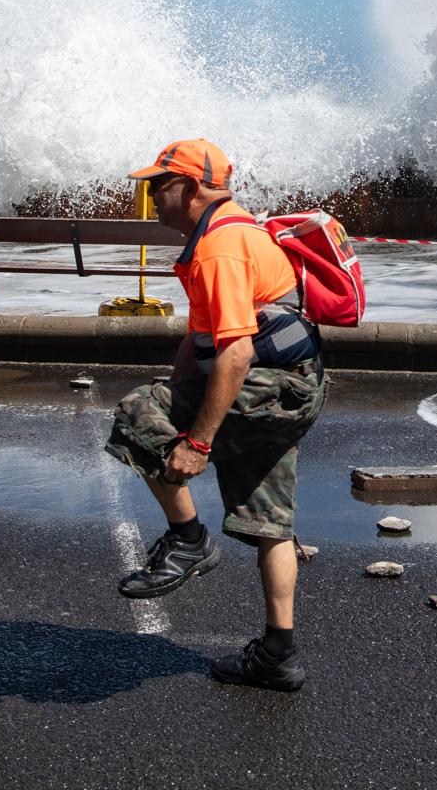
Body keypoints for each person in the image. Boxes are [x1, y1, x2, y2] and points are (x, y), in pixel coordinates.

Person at [102, 138, 326, 691]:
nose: (152, 196)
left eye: (162, 185)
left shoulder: (221, 247)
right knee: (270, 522)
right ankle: (279, 655)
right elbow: (200, 338)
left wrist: (196, 442)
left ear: (194, 188)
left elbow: (235, 352)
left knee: (135, 412)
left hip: (268, 386)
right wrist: (182, 393)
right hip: (290, 388)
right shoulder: (232, 232)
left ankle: (188, 539)